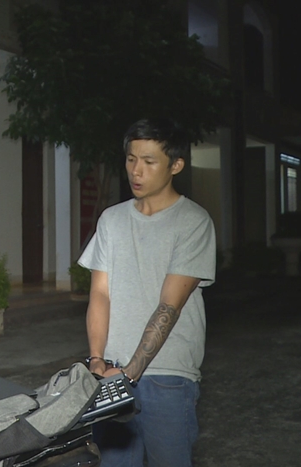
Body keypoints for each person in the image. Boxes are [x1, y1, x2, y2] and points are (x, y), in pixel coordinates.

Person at [78, 118, 216, 466]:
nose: (136, 171)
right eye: (131, 159)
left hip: (168, 377)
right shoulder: (111, 219)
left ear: (176, 165)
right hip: (111, 374)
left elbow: (169, 306)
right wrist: (97, 361)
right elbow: (100, 294)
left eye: (149, 161)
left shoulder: (193, 221)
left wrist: (130, 373)